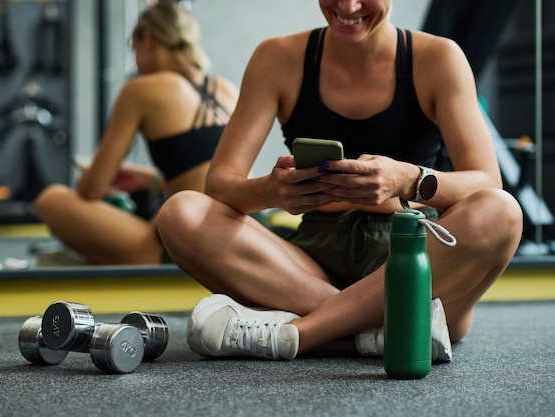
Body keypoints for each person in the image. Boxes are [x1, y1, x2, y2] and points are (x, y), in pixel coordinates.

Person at [155, 0, 523, 360]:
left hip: (410, 255)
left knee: (502, 211)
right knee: (181, 213)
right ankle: (396, 328)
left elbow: (487, 183)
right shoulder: (276, 58)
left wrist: (407, 180)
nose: (348, 7)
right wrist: (270, 191)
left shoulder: (440, 58)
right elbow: (219, 184)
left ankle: (298, 333)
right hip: (311, 262)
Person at [34, 1, 238, 265]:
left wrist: (91, 175)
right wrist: (152, 180)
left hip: (187, 245)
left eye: (134, 49)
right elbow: (211, 173)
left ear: (147, 38)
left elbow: (92, 189)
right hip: (241, 235)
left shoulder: (141, 89)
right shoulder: (225, 89)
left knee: (51, 200)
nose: (136, 61)